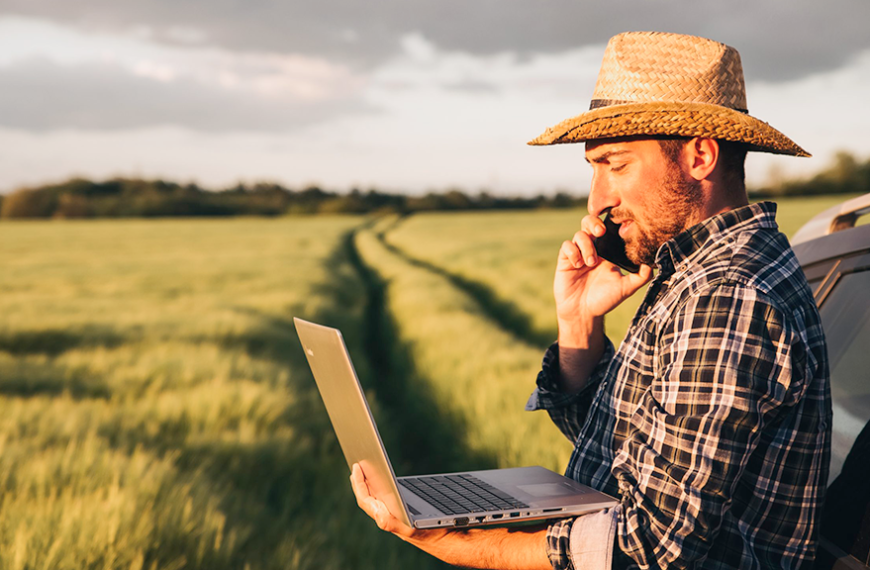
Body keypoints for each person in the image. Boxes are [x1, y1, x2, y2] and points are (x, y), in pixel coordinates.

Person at [350, 31, 831, 570]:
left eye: (616, 165)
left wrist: (455, 545)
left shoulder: (728, 295)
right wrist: (578, 323)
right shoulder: (696, 273)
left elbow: (652, 545)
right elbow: (632, 459)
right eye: (594, 168)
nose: (598, 199)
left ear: (700, 155)